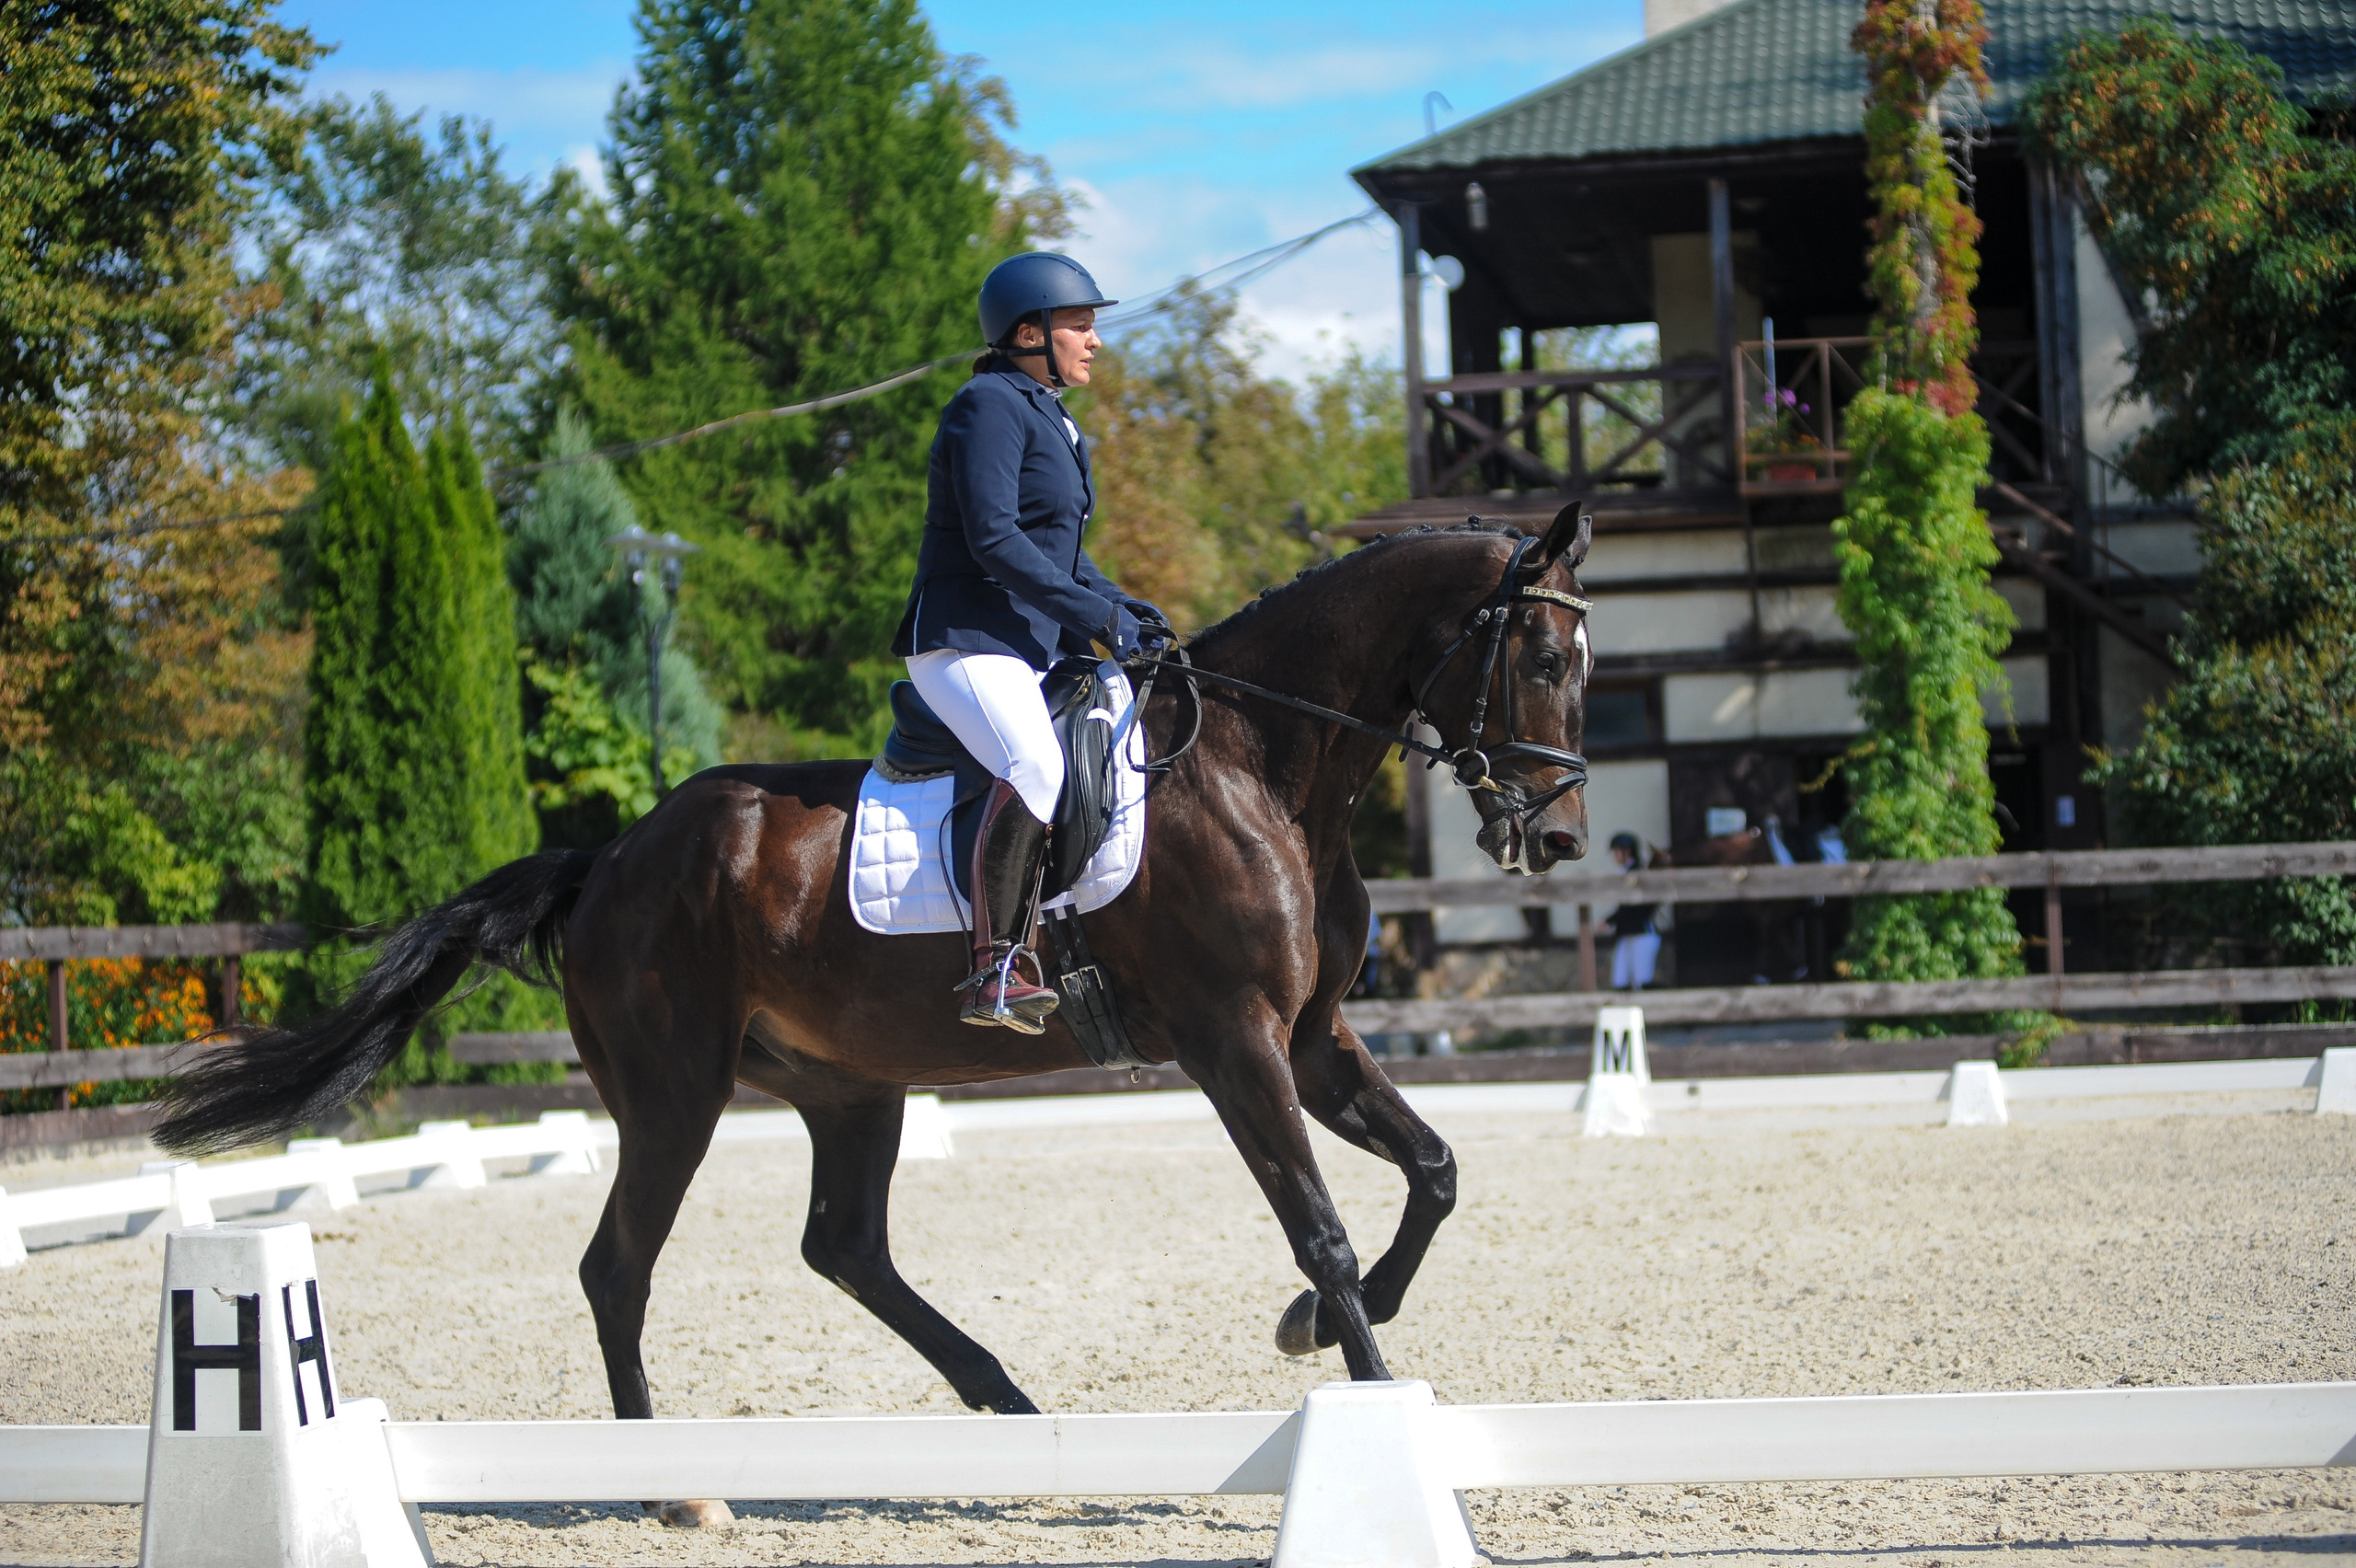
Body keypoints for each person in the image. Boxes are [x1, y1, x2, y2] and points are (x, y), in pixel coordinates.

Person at [891, 253, 1170, 1033]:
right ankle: (994, 971)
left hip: (1024, 643)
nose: (1095, 340)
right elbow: (994, 541)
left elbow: (1063, 557)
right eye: (1081, 325)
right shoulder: (986, 406)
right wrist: (1095, 618)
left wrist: (1126, 609)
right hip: (963, 640)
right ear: (1028, 332)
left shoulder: (1052, 416)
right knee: (1036, 766)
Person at [1600, 831, 1661, 990]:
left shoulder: (1638, 873)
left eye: (1616, 852)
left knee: (1642, 981)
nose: (1614, 856)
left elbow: (1633, 907)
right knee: (1620, 981)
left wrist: (1609, 921)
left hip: (1642, 932)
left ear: (1627, 851)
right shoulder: (1626, 873)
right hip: (1626, 933)